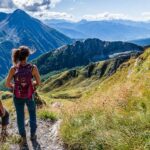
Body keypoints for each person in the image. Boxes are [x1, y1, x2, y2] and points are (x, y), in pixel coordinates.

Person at [5, 46, 41, 147]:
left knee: (20, 116)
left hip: (17, 96)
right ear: (27, 56)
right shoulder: (33, 68)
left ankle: (23, 137)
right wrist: (31, 84)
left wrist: (15, 86)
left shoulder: (13, 69)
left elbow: (7, 84)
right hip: (30, 95)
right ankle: (33, 135)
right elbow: (38, 82)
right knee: (32, 113)